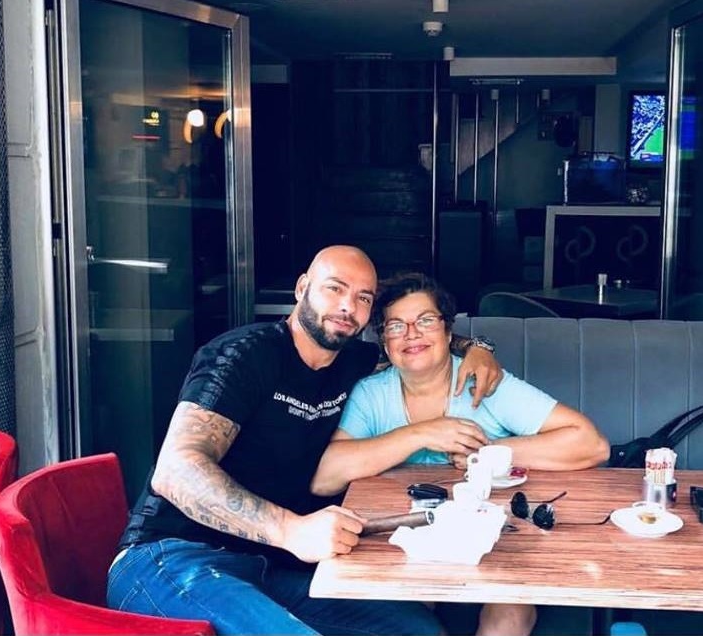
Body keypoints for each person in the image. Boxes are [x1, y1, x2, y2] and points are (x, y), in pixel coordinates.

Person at [106, 246, 502, 635]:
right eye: (335, 288)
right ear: (301, 288)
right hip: (172, 558)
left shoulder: (353, 361)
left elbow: (414, 342)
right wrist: (289, 530)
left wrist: (478, 348)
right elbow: (175, 471)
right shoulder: (243, 355)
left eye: (363, 298)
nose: (348, 306)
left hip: (269, 567)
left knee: (419, 630)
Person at [311, 272, 610, 636]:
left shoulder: (482, 382)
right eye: (396, 326)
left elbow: (591, 443)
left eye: (425, 321)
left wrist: (489, 453)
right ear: (385, 344)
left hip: (499, 539)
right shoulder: (372, 394)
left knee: (509, 612)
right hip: (406, 541)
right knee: (403, 609)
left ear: (448, 332)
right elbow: (324, 477)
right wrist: (422, 433)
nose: (412, 334)